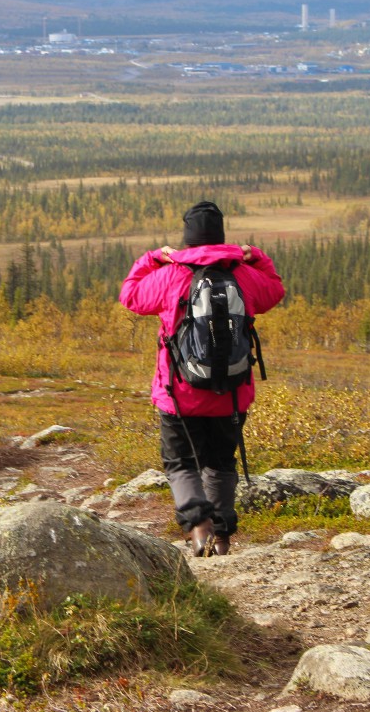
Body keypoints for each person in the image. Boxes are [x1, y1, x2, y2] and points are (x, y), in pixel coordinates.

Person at [119, 200, 285, 557]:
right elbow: (275, 290)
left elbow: (130, 295)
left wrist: (153, 258)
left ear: (187, 238)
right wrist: (253, 254)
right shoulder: (244, 274)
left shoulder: (170, 275)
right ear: (221, 236)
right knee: (221, 463)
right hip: (231, 394)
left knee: (181, 463)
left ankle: (198, 526)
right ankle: (222, 538)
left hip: (179, 393)